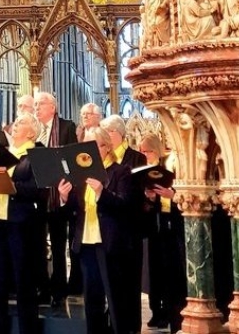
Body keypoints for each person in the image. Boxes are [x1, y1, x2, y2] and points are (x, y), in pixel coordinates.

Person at [58, 126, 132, 334]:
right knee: (92, 301)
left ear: (105, 147)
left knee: (116, 300)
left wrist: (102, 192)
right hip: (86, 244)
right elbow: (75, 207)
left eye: (92, 146)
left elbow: (125, 204)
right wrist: (65, 198)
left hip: (110, 244)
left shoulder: (120, 171)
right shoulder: (81, 174)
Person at [0, 113, 42, 334]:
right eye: (15, 123)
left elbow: (37, 190)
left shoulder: (36, 154)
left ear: (31, 132)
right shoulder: (4, 154)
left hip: (21, 225)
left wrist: (10, 185)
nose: (15, 125)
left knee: (23, 283)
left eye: (21, 123)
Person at [100, 115, 147, 333]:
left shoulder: (135, 158)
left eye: (108, 133)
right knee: (113, 284)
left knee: (130, 282)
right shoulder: (101, 162)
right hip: (109, 228)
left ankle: (132, 326)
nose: (107, 138)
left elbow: (135, 195)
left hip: (129, 228)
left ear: (118, 134)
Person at [138, 133, 186, 333]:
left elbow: (181, 194)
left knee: (170, 272)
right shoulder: (146, 169)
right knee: (153, 271)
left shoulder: (170, 165)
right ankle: (157, 311)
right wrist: (148, 197)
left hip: (172, 225)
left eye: (147, 151)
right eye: (142, 151)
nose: (144, 154)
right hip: (154, 225)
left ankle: (171, 313)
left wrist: (171, 195)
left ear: (156, 150)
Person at [34, 91, 78, 305]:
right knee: (39, 246)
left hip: (59, 193)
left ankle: (60, 289)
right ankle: (43, 287)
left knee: (59, 245)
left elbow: (72, 158)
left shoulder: (66, 127)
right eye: (35, 104)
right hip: (38, 196)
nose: (37, 108)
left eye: (41, 104)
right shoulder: (34, 129)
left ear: (53, 107)